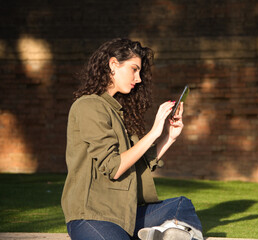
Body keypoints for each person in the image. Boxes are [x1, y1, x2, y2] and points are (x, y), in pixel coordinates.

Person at [61, 38, 204, 240]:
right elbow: (115, 167)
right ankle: (167, 233)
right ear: (113, 65)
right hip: (94, 216)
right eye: (134, 69)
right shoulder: (88, 106)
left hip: (127, 214)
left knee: (181, 205)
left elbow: (138, 162)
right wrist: (154, 132)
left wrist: (169, 137)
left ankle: (168, 233)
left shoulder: (119, 111)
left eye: (140, 72)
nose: (138, 79)